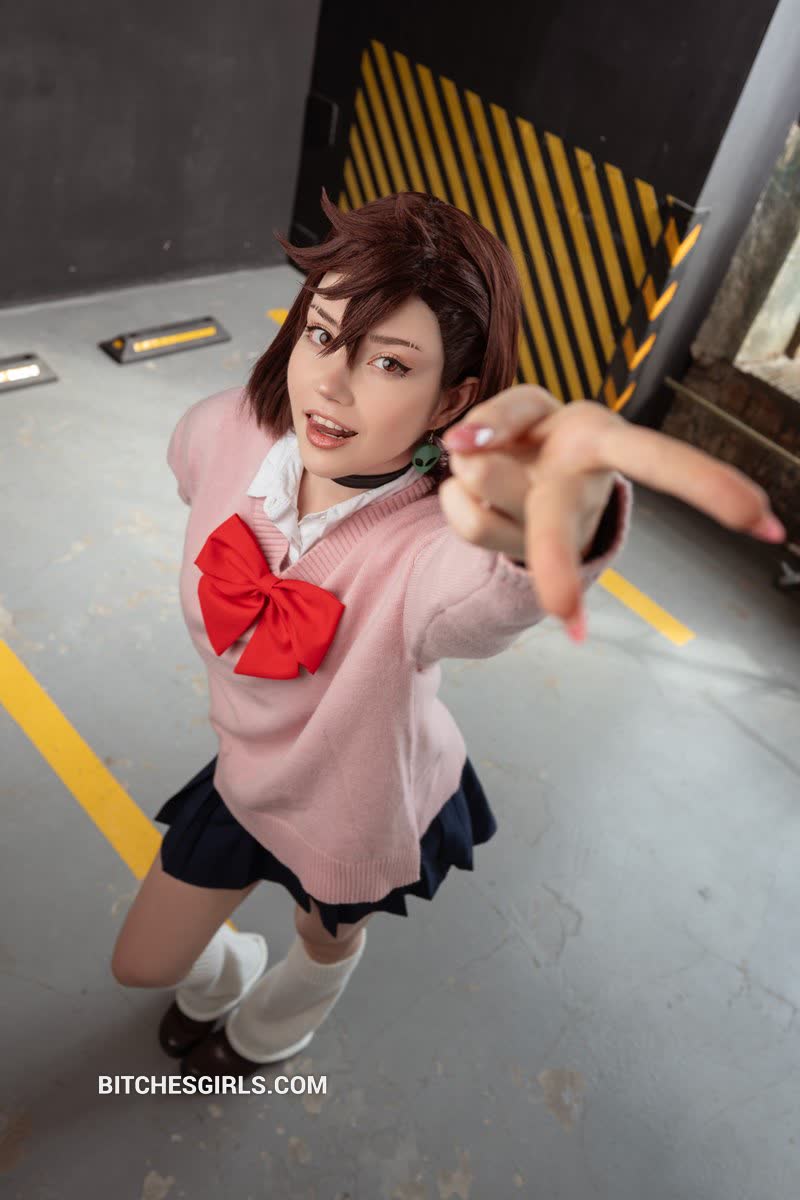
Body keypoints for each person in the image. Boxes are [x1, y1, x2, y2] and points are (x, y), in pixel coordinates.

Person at [110, 189, 785, 1079]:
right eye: (322, 334)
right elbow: (194, 473)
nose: (331, 384)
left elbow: (482, 596)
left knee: (322, 935)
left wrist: (557, 524)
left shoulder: (429, 548)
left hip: (355, 799)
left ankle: (282, 1021)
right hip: (247, 772)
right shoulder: (221, 433)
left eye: (390, 364)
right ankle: (231, 973)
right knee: (144, 963)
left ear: (450, 399)